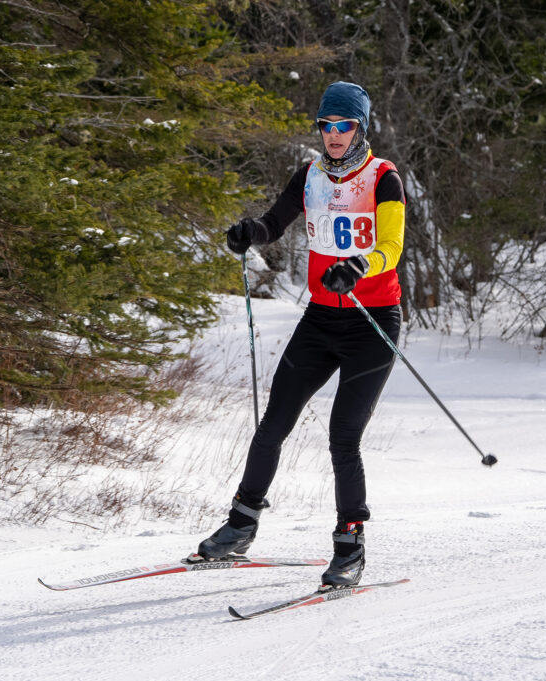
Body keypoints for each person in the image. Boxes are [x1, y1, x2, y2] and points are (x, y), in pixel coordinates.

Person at [196, 81, 406, 588]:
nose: (334, 135)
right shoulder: (310, 175)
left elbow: (393, 245)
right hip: (320, 320)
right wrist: (252, 232)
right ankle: (241, 525)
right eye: (327, 126)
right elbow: (276, 222)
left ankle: (350, 544)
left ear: (360, 128)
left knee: (343, 436)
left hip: (373, 322)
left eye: (344, 126)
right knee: (274, 423)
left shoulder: (383, 178)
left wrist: (360, 265)